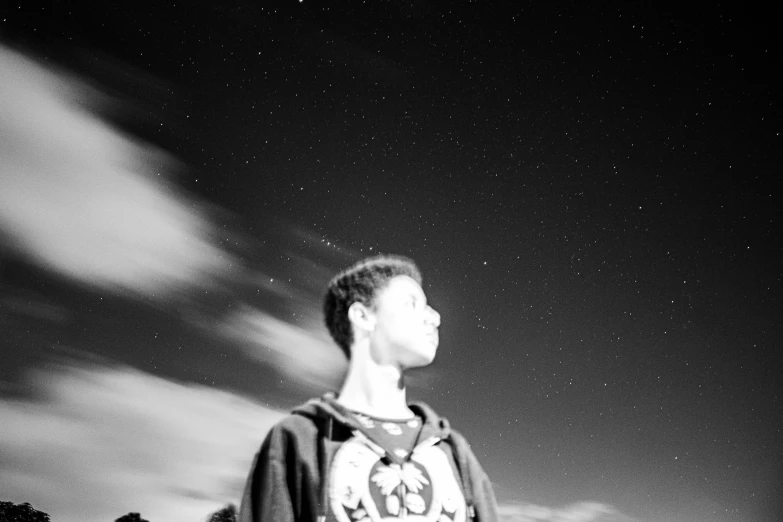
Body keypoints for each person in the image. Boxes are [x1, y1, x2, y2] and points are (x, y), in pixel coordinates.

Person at [238, 254, 499, 522]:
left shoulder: (454, 451)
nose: (435, 317)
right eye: (412, 303)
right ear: (362, 316)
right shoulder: (297, 438)